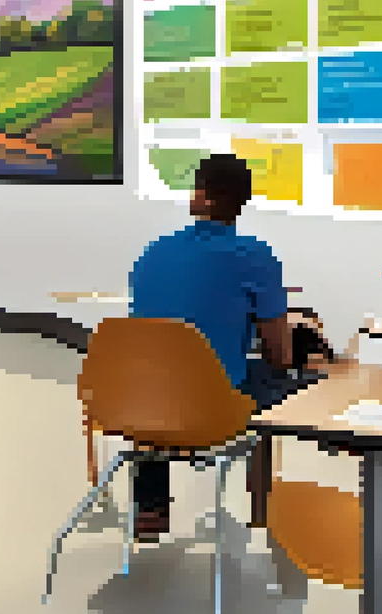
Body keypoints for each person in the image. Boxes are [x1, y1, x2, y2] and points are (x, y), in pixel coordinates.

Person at [126, 153, 305, 542]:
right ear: (242, 201)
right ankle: (262, 509)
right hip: (210, 408)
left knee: (162, 373)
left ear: (199, 196)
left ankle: (151, 507)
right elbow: (280, 355)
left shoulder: (154, 251)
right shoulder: (255, 256)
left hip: (135, 403)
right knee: (279, 379)